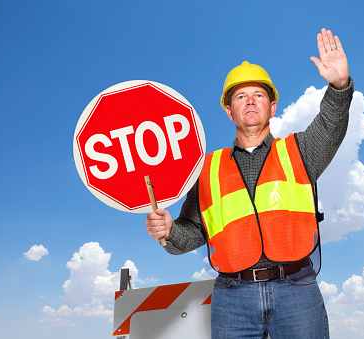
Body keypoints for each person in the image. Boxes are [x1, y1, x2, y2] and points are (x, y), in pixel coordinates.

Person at [145, 28, 353, 338]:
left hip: (297, 290)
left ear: (272, 106)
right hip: (233, 296)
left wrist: (338, 86)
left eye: (259, 95)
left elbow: (331, 124)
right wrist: (169, 230)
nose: (251, 101)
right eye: (241, 96)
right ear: (229, 111)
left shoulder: (300, 151)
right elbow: (193, 232)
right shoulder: (206, 169)